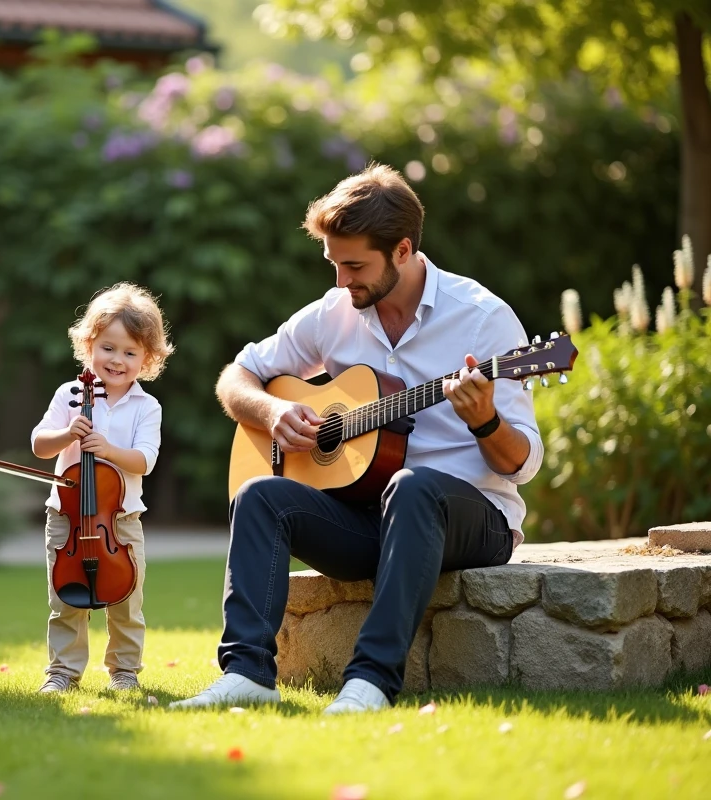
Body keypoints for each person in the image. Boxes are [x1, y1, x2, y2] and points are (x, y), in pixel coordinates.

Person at [171, 163, 542, 713]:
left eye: (354, 266)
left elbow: (524, 464)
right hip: (372, 518)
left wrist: (484, 419)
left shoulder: (484, 320)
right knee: (260, 496)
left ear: (402, 250)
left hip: (472, 518)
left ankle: (369, 684)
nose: (342, 282)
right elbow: (237, 377)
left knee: (415, 485)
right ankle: (246, 672)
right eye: (333, 265)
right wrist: (273, 412)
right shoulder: (334, 311)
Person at [30, 283, 173, 693]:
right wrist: (65, 434)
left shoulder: (147, 407)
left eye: (130, 353)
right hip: (67, 518)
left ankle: (124, 672)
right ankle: (63, 673)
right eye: (108, 348)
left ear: (147, 359)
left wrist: (109, 449)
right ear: (89, 345)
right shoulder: (70, 394)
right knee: (65, 600)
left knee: (126, 599)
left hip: (120, 520)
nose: (117, 360)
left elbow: (145, 459)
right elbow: (39, 444)